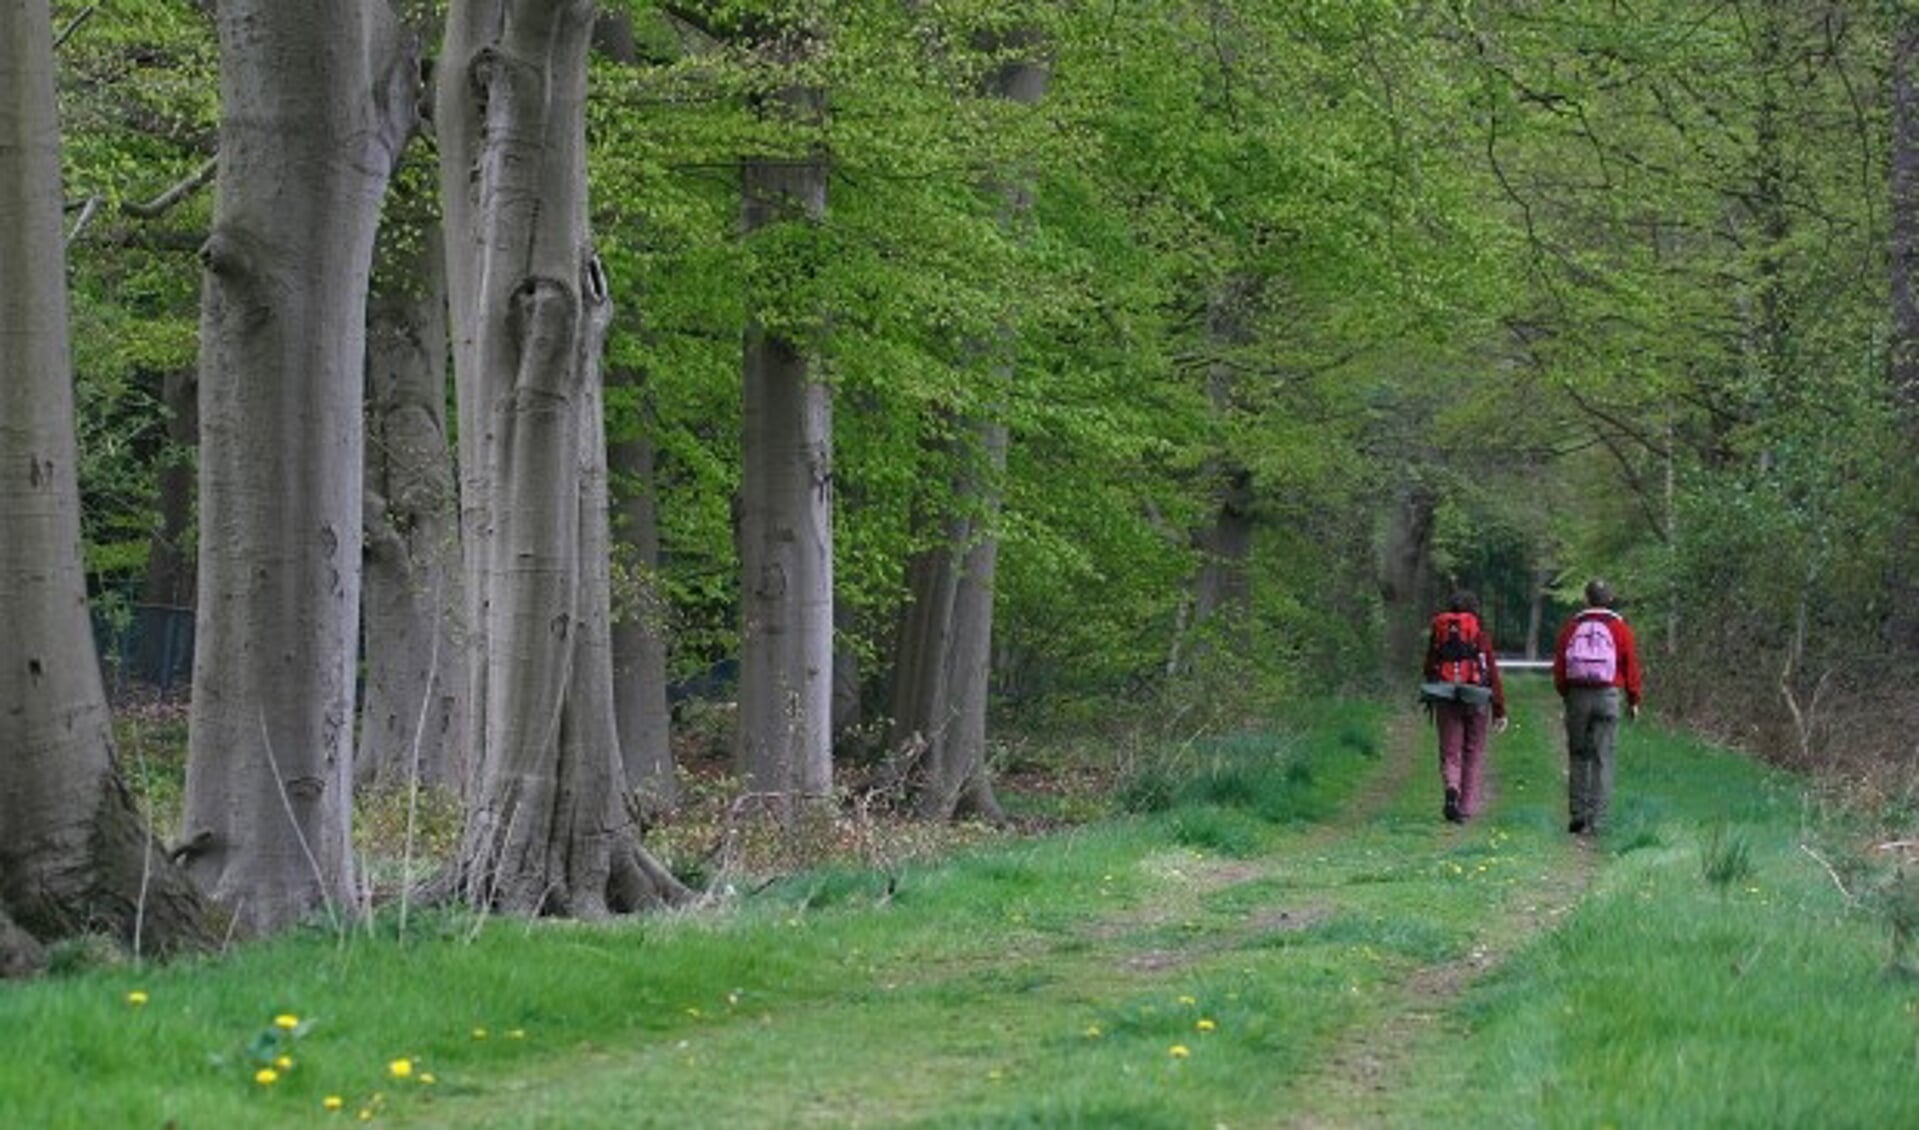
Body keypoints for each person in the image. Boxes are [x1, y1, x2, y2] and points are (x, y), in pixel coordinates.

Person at [1551, 578, 1644, 835]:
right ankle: (1598, 820)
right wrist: (1634, 699)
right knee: (1604, 757)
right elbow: (1630, 666)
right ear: (1610, 599)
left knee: (1579, 754)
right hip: (1608, 695)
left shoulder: (1572, 626)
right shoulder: (1620, 628)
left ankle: (1578, 815)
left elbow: (1559, 666)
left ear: (1586, 598)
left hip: (1577, 695)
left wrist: (1566, 694)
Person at [1421, 589, 1508, 824]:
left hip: (1446, 695)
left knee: (1450, 751)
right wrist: (1499, 709)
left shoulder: (1439, 632)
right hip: (1476, 697)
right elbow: (1492, 672)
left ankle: (1452, 788)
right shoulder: (1480, 634)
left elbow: (1429, 666)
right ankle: (1466, 807)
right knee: (1473, 751)